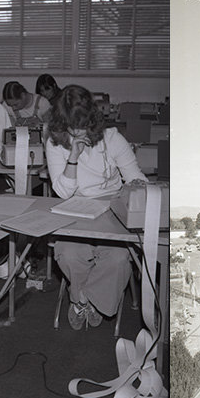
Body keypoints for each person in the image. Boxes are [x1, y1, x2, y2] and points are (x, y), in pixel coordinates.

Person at [46, 85, 147, 330]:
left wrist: (133, 185)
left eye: (82, 125)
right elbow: (62, 192)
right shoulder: (55, 143)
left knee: (118, 258)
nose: (78, 132)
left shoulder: (112, 139)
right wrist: (74, 156)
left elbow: (137, 177)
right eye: (71, 126)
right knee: (69, 253)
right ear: (61, 124)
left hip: (112, 206)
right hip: (74, 207)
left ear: (92, 120)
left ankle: (82, 299)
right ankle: (88, 300)